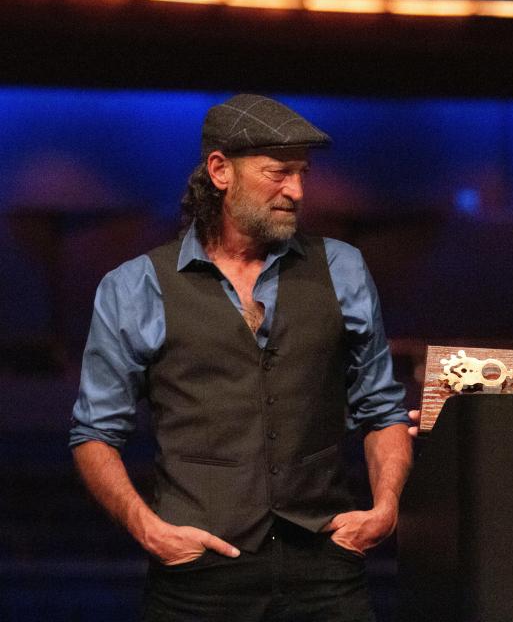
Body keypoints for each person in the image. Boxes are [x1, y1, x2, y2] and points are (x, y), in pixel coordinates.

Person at [69, 94, 412, 621]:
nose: (296, 191)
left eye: (302, 173)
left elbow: (381, 408)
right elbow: (94, 432)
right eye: (278, 173)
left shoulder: (341, 267)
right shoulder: (135, 285)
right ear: (220, 170)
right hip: (198, 574)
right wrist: (149, 528)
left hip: (326, 567)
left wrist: (384, 509)